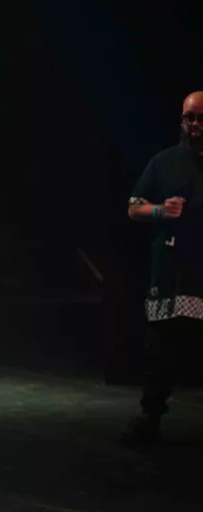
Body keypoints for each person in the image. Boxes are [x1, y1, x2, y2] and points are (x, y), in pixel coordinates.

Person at [123, 91, 203, 446]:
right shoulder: (164, 161)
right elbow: (133, 207)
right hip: (170, 269)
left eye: (201, 118)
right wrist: (159, 211)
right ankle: (149, 418)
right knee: (159, 348)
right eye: (190, 118)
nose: (195, 125)